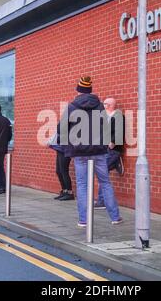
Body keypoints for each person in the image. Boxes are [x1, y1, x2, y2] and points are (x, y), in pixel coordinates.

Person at [59, 76, 122, 227]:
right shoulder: (100, 106)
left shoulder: (72, 106)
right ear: (90, 90)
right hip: (99, 151)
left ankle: (84, 219)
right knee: (105, 182)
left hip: (80, 152)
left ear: (78, 90)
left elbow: (61, 130)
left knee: (82, 185)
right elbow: (105, 128)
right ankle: (115, 217)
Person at [94, 97, 125, 210]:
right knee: (102, 172)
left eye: (105, 104)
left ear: (111, 105)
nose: (103, 106)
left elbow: (119, 131)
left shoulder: (118, 116)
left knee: (102, 173)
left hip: (113, 149)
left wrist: (113, 141)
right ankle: (115, 163)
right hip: (104, 149)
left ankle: (102, 201)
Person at [47, 132, 74, 201]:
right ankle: (64, 191)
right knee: (58, 171)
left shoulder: (70, 125)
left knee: (64, 171)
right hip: (60, 149)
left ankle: (70, 193)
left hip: (65, 150)